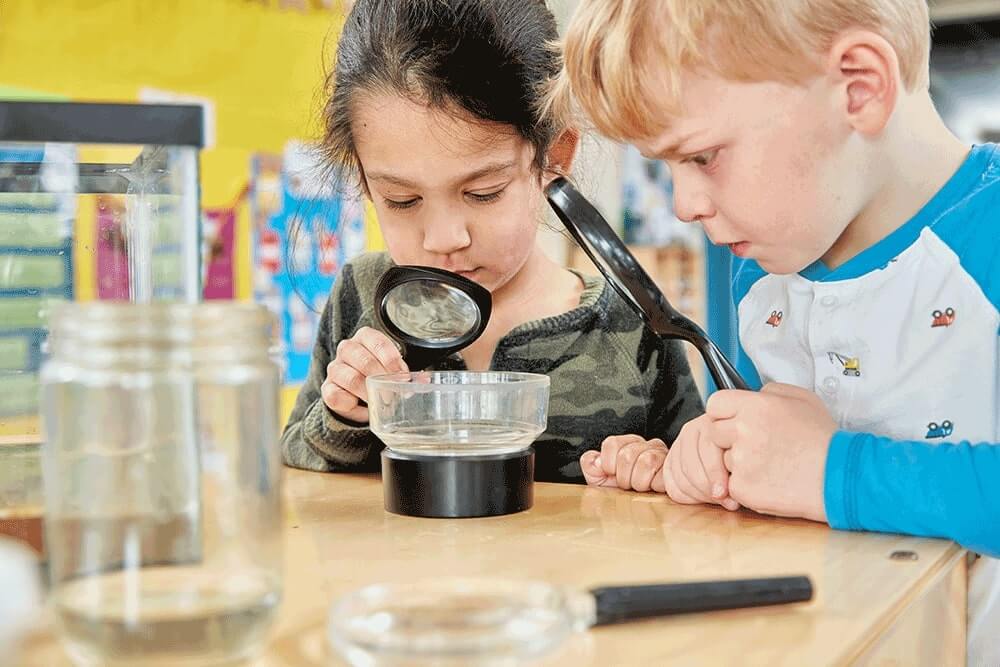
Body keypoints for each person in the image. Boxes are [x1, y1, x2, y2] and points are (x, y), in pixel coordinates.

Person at [554, 0, 1000, 662]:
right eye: (665, 166)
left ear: (859, 86)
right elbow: (788, 479)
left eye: (702, 155)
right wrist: (717, 462)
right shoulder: (765, 277)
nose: (684, 204)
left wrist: (827, 469)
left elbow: (818, 473)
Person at [279, 0, 703, 484]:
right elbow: (297, 457)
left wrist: (659, 468)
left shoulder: (634, 323)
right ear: (364, 180)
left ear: (554, 156)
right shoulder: (361, 297)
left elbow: (703, 469)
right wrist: (346, 413)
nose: (444, 239)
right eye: (401, 200)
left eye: (483, 193)